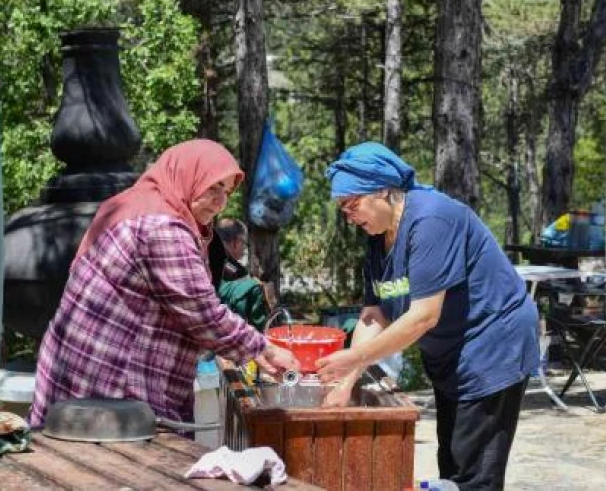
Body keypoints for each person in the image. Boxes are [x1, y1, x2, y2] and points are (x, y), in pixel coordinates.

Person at [28, 139, 299, 429]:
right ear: (187, 177)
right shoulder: (163, 227)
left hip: (79, 373)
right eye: (212, 187)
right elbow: (203, 315)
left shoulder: (139, 202)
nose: (221, 201)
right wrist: (264, 349)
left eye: (227, 190)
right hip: (108, 385)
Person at [315, 142, 539, 491]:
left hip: (492, 346)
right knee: (451, 462)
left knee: (474, 473)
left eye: (352, 203)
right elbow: (374, 315)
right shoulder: (376, 240)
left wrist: (355, 358)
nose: (348, 215)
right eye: (342, 208)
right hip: (451, 354)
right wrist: (346, 381)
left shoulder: (432, 220)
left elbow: (423, 317)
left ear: (384, 191)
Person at [212, 217, 271, 331]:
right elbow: (260, 334)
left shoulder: (198, 267)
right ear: (236, 242)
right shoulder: (252, 287)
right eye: (244, 243)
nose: (244, 248)